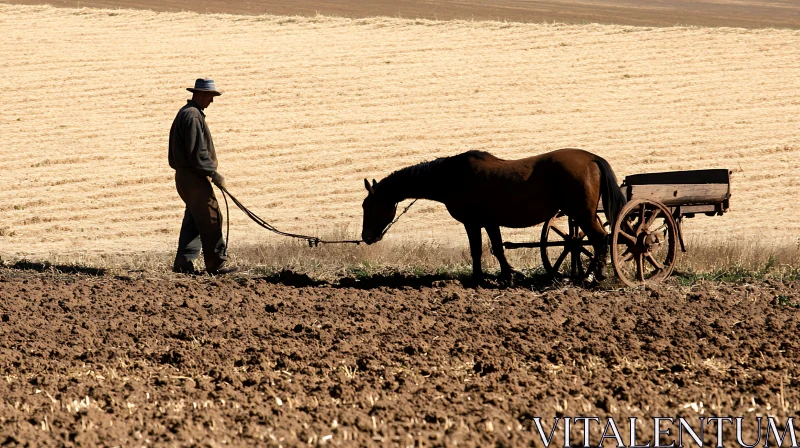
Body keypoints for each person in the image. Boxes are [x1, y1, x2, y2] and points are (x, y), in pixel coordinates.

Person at [168, 78, 239, 275]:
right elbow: (197, 152)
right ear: (198, 94)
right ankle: (216, 264)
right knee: (211, 217)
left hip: (187, 177)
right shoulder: (192, 116)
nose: (212, 100)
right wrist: (213, 173)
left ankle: (183, 262)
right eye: (210, 96)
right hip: (193, 177)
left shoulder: (188, 113)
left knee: (194, 219)